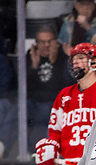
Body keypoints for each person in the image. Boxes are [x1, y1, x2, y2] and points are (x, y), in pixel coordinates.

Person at [27, 26, 73, 154]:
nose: (47, 45)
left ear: (56, 42)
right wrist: (34, 67)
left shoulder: (62, 57)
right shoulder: (30, 56)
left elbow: (64, 86)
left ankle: (40, 152)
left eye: (50, 41)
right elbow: (24, 88)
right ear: (36, 44)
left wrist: (54, 64)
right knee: (16, 112)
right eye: (42, 42)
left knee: (45, 111)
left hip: (53, 102)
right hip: (33, 101)